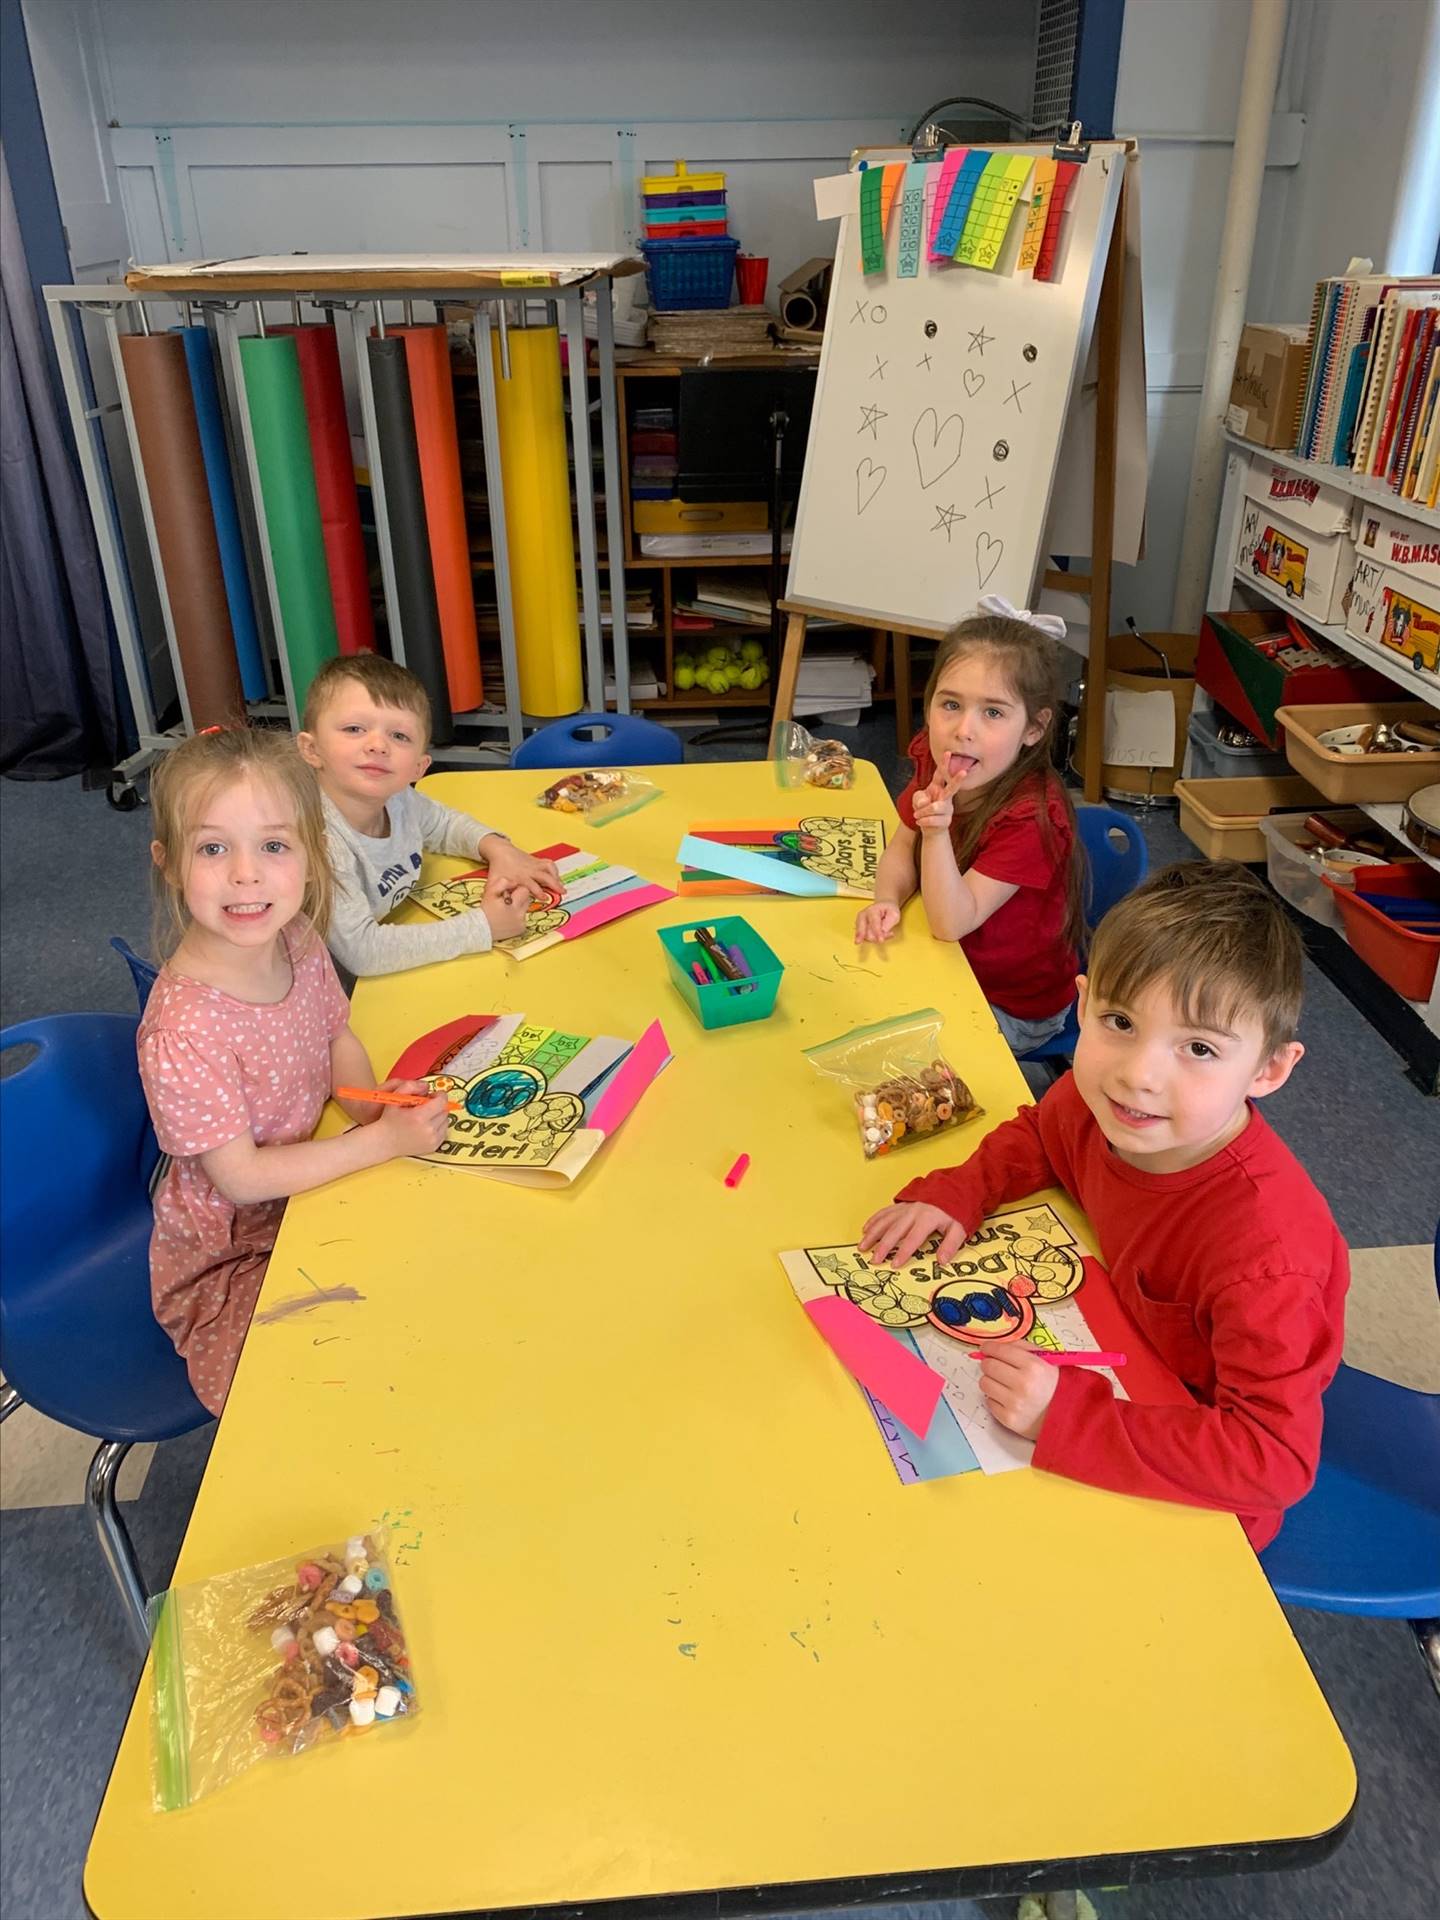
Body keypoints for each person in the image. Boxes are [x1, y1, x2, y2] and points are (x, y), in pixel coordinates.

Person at [859, 861, 1349, 1550]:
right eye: (1120, 1022)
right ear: (1083, 1005)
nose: (1138, 1074)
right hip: (1111, 1358)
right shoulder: (1105, 1106)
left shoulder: (1267, 1259)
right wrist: (960, 1191)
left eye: (1199, 1048)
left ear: (1268, 1070)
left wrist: (1066, 1417)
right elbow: (1041, 1134)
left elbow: (1271, 1461)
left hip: (1194, 1492)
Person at [138, 727, 450, 1414]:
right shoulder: (183, 1029)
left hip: (310, 1188)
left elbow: (335, 1035)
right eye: (213, 848)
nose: (246, 875)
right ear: (168, 863)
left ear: (310, 857)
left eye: (274, 846)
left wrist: (371, 1106)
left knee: (442, 1273)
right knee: (334, 1385)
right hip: (234, 1252)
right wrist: (377, 1143)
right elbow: (241, 1179)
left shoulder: (298, 940)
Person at [855, 595, 1084, 1063]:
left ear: (1034, 729)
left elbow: (951, 922)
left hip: (1013, 1005)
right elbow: (903, 844)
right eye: (951, 704)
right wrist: (886, 898)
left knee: (896, 1063)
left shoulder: (1034, 817)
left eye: (993, 713)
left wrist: (937, 834)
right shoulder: (936, 756)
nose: (963, 729)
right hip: (947, 964)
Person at [297, 654, 563, 976]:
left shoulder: (398, 798)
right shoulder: (319, 838)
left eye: (399, 736)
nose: (378, 745)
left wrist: (500, 850)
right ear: (311, 750)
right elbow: (362, 952)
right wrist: (483, 927)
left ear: (418, 768)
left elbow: (442, 824)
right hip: (320, 987)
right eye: (354, 728)